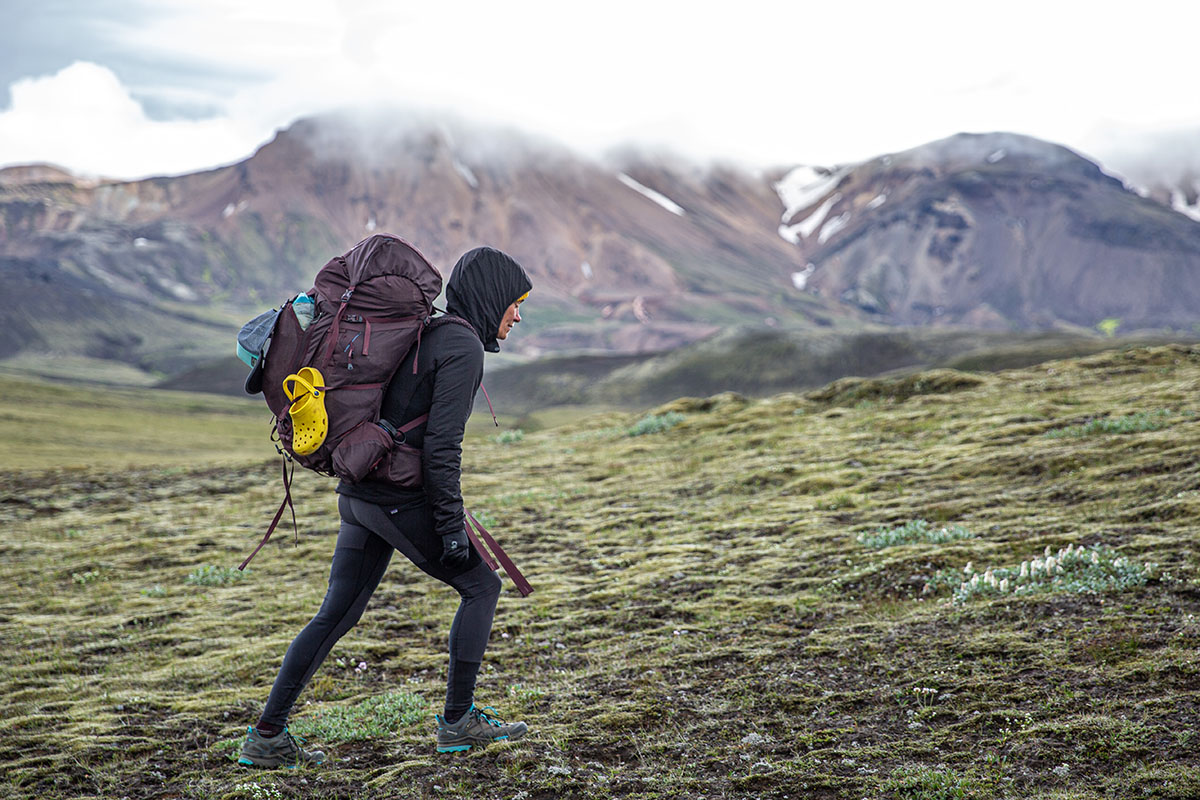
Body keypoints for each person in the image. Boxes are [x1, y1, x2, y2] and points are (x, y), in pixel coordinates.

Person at [238, 246, 533, 767]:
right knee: (481, 586)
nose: (518, 314)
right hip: (396, 498)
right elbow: (442, 446)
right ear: (494, 297)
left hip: (360, 494)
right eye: (516, 301)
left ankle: (267, 735)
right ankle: (458, 721)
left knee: (335, 613)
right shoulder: (462, 345)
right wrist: (449, 527)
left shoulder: (432, 331)